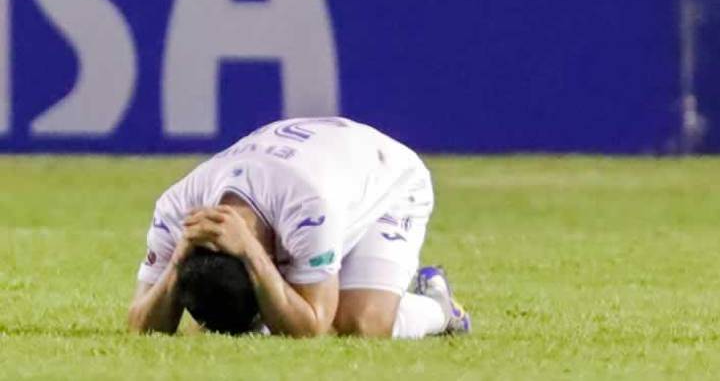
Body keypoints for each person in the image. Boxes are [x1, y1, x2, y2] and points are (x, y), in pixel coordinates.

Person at [126, 116, 471, 337]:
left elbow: (314, 324)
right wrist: (178, 259)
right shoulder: (176, 209)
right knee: (239, 315)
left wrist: (250, 253)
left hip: (387, 175)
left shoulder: (308, 206)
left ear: (273, 261)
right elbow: (140, 324)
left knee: (360, 324)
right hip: (312, 162)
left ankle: (439, 307)